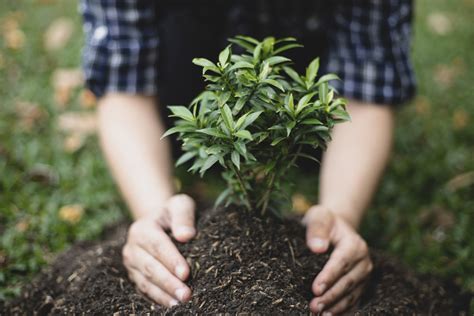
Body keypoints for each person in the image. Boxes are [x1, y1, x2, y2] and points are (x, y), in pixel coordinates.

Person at [80, 0, 415, 314]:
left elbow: (367, 88)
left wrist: (341, 213)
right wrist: (154, 210)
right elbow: (123, 81)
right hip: (186, 106)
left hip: (300, 120)